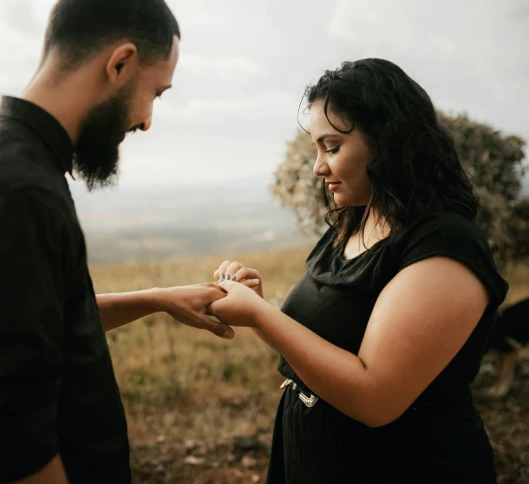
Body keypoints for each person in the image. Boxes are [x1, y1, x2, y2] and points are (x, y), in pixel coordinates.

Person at [0, 0, 232, 484]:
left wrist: (157, 299)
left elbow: (39, 326)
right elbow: (12, 441)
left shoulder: (12, 159)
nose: (148, 120)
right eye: (156, 91)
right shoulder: (16, 192)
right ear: (120, 63)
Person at [208, 58, 509, 483]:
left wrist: (262, 316)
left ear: (388, 141)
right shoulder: (356, 219)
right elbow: (320, 342)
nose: (318, 167)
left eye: (331, 147)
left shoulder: (445, 248)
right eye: (316, 149)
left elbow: (374, 398)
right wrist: (256, 307)